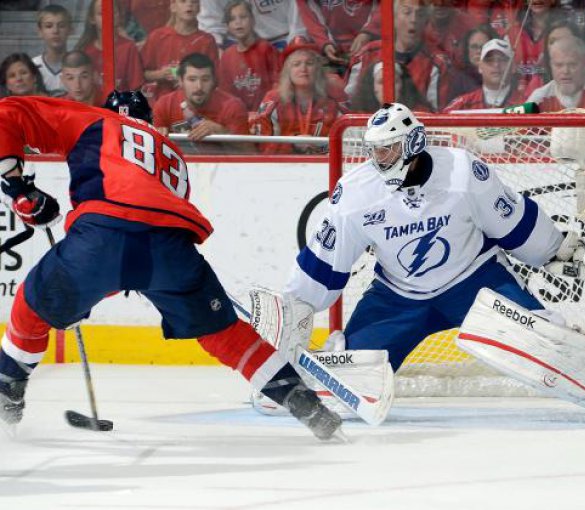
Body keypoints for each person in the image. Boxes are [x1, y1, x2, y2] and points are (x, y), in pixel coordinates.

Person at [266, 102, 585, 424]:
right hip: (397, 297)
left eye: (389, 149)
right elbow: (323, 267)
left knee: (545, 339)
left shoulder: (462, 172)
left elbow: (516, 227)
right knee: (347, 378)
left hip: (474, 281)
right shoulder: (356, 194)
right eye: (375, 151)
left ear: (412, 144)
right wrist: (297, 307)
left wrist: (562, 250)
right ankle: (280, 383)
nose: (380, 159)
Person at [0, 91, 341, 441]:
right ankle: (310, 408)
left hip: (102, 235)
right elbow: (142, 243)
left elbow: (7, 112)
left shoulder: (94, 120)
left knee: (30, 305)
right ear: (150, 121)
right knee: (225, 334)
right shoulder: (171, 154)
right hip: (170, 249)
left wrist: (15, 187)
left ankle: (6, 392)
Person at [345, 0, 452, 111]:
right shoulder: (366, 54)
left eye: (420, 14)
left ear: (426, 21)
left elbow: (436, 115)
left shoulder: (437, 63)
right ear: (394, 18)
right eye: (407, 12)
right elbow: (348, 105)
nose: (413, 20)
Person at [252, 43, 343, 154]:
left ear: (318, 70)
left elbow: (343, 145)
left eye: (309, 63)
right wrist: (293, 143)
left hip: (322, 166)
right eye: (296, 64)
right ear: (287, 71)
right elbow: (262, 144)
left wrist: (318, 146)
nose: (303, 68)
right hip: (280, 166)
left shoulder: (331, 104)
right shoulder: (273, 100)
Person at [153, 52, 251, 145]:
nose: (199, 86)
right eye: (192, 80)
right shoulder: (164, 105)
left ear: (214, 81)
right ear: (180, 81)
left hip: (220, 161)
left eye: (205, 79)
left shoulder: (232, 106)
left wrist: (222, 133)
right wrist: (156, 139)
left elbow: (249, 153)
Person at [141, 0, 219, 104]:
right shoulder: (157, 37)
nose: (189, 4)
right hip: (162, 102)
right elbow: (141, 74)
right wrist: (160, 74)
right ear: (173, 7)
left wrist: (192, 82)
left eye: (194, 2)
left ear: (199, 8)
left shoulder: (207, 40)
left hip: (196, 106)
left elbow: (215, 80)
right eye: (183, 1)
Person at [527, 36, 585, 112]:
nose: (565, 71)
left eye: (572, 64)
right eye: (559, 65)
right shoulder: (540, 97)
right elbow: (520, 133)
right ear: (551, 66)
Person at [218, 0, 281, 113]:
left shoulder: (266, 49)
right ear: (228, 26)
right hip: (240, 116)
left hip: (266, 114)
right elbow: (226, 93)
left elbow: (277, 86)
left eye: (243, 17)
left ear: (252, 20)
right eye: (232, 19)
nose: (238, 22)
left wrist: (263, 112)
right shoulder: (227, 56)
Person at [75, 0, 145, 92]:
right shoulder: (85, 50)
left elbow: (136, 87)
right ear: (92, 18)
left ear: (119, 15)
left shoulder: (128, 47)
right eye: (101, 13)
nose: (108, 16)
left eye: (113, 12)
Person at [297, 0, 381, 73]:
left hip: (369, 45)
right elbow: (309, 14)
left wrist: (368, 32)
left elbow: (386, 5)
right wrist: (325, 43)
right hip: (333, 51)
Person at [444, 38, 524, 111]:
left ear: (513, 67)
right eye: (489, 60)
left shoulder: (525, 103)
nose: (496, 64)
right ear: (480, 67)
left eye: (502, 60)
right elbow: (439, 124)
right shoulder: (462, 104)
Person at [350, 61, 433, 113]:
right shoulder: (360, 115)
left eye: (394, 82)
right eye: (381, 82)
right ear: (373, 87)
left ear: (402, 86)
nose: (388, 88)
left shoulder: (419, 114)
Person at [32, 4, 73, 97]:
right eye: (49, 26)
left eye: (61, 26)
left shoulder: (79, 64)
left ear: (70, 29)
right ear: (39, 31)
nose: (55, 31)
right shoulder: (32, 66)